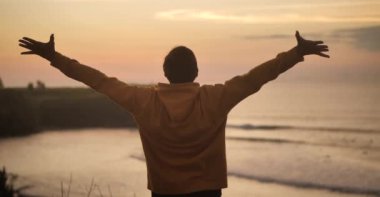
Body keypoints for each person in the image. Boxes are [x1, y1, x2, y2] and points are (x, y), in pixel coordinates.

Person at [18, 31, 329, 197]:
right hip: (208, 194)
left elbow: (99, 81)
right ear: (196, 72)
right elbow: (255, 78)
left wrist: (54, 57)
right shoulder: (215, 98)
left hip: (164, 195)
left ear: (165, 74)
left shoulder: (143, 101)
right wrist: (296, 53)